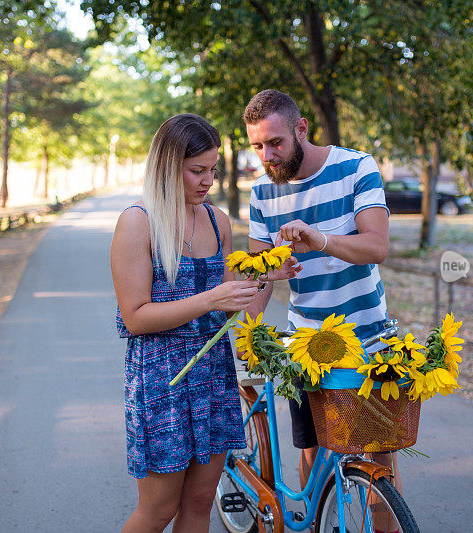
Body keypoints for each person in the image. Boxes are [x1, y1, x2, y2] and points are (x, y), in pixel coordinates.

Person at [240, 89, 403, 494]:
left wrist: (320, 239)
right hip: (305, 343)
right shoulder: (261, 193)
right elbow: (259, 273)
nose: (267, 156)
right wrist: (250, 331)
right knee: (312, 453)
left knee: (379, 455)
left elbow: (376, 247)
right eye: (257, 146)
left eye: (275, 143)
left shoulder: (356, 166)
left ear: (301, 129)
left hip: (370, 338)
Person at [111, 113, 259, 533]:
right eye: (197, 170)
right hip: (163, 380)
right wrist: (211, 298)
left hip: (214, 376)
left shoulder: (218, 221)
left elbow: (229, 305)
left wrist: (264, 277)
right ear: (167, 165)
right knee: (159, 511)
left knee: (199, 504)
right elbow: (135, 317)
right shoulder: (137, 222)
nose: (208, 180)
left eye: (213, 169)